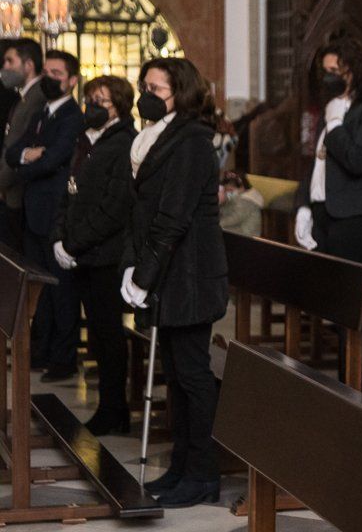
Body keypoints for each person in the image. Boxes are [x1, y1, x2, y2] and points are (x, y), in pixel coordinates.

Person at [121, 57, 227, 507]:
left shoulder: (191, 142)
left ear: (180, 93)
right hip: (170, 274)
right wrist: (135, 267)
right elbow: (141, 212)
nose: (147, 94)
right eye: (143, 85)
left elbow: (172, 218)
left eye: (156, 88)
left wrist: (144, 277)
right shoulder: (159, 136)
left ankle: (203, 473)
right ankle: (182, 466)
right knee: (177, 375)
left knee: (192, 375)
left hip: (189, 275)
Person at [294, 37, 362, 381]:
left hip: (359, 219)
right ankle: (346, 381)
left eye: (335, 71)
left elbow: (358, 159)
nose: (328, 78)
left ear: (354, 70)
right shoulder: (334, 106)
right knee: (336, 305)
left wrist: (336, 126)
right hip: (328, 216)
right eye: (325, 72)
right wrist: (304, 207)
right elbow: (316, 165)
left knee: (355, 305)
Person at [50, 75, 137, 435]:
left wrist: (74, 243)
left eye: (102, 101)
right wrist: (59, 237)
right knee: (98, 336)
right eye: (91, 100)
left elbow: (114, 208)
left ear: (119, 105)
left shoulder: (125, 143)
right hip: (84, 251)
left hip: (107, 255)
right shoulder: (86, 141)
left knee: (108, 333)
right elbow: (68, 192)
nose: (93, 107)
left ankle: (114, 408)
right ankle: (108, 405)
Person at [6, 49, 85, 381]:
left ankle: (64, 358)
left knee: (61, 289)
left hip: (55, 214)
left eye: (58, 74)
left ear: (71, 81)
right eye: (48, 72)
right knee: (41, 289)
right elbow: (12, 152)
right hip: (34, 210)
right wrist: (27, 155)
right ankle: (43, 350)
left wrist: (28, 163)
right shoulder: (42, 113)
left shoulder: (71, 116)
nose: (51, 79)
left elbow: (54, 160)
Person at [0, 38, 46, 252]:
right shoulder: (24, 97)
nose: (5, 67)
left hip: (19, 193)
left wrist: (2, 182)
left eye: (10, 61)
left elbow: (19, 144)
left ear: (28, 65)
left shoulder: (37, 97)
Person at [218, 169, 263, 236]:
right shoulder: (236, 198)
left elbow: (235, 218)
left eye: (231, 190)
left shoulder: (247, 201)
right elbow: (226, 211)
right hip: (238, 229)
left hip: (247, 235)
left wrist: (217, 224)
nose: (228, 193)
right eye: (226, 190)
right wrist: (221, 204)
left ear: (242, 187)